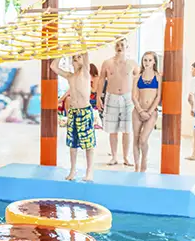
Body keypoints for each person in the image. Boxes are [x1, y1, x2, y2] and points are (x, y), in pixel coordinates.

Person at [50, 25, 94, 182]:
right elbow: (53, 66)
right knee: (72, 143)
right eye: (73, 58)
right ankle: (73, 170)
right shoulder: (70, 76)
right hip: (73, 112)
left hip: (85, 111)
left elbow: (85, 52)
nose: (76, 59)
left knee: (88, 143)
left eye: (78, 57)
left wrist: (80, 33)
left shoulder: (85, 73)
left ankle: (90, 171)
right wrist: (62, 51)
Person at [98, 38, 137, 166]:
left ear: (127, 46)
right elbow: (102, 79)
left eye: (122, 45)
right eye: (117, 45)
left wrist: (138, 98)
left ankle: (126, 157)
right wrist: (99, 96)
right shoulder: (107, 63)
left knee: (127, 129)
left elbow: (138, 81)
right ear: (114, 47)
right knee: (112, 129)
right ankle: (114, 156)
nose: (120, 47)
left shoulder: (132, 63)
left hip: (128, 97)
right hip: (111, 96)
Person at [131, 51, 162, 173]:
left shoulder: (158, 77)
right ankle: (136, 166)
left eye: (150, 60)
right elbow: (134, 96)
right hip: (138, 111)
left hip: (151, 112)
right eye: (145, 60)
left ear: (154, 61)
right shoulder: (137, 77)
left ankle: (144, 161)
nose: (147, 63)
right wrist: (140, 110)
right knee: (136, 138)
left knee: (143, 139)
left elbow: (158, 97)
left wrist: (148, 112)